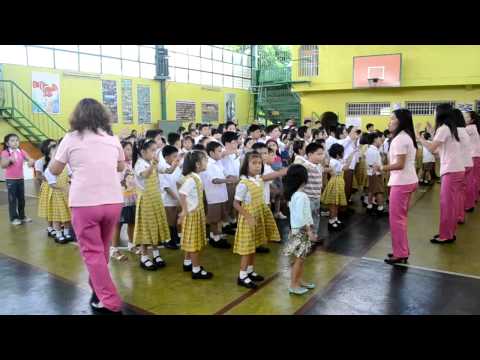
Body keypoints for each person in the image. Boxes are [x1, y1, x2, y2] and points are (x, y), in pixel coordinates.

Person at [47, 98, 125, 314]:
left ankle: (109, 300)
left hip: (84, 203)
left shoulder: (70, 138)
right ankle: (97, 290)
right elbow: (120, 165)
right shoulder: (112, 138)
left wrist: (59, 153)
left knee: (92, 252)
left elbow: (53, 170)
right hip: (113, 201)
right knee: (102, 248)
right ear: (103, 116)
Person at [375, 109, 418, 264]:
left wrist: (381, 168)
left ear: (400, 121)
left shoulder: (400, 139)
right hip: (407, 180)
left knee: (396, 220)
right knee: (400, 218)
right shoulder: (407, 136)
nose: (389, 121)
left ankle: (400, 253)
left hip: (401, 182)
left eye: (392, 118)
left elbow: (399, 164)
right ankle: (402, 250)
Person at [418, 104, 464, 244]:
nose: (433, 114)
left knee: (446, 204)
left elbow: (432, 149)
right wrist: (432, 134)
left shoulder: (444, 128)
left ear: (440, 113)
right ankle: (449, 231)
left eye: (434, 111)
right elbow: (441, 151)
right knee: (451, 203)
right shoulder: (450, 128)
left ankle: (446, 235)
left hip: (451, 170)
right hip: (456, 169)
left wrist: (419, 138)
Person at [233, 151, 279, 289]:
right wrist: (248, 216)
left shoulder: (258, 179)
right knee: (247, 249)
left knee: (254, 246)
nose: (258, 166)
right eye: (254, 163)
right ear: (246, 165)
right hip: (249, 219)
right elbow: (235, 204)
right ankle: (242, 276)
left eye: (259, 163)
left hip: (258, 217)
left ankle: (250, 270)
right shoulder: (243, 183)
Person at [133, 138, 171, 270]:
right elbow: (145, 175)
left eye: (156, 151)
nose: (155, 153)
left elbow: (168, 171)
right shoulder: (139, 164)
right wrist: (153, 164)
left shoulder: (151, 162)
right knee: (146, 229)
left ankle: (156, 254)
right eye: (152, 151)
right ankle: (144, 257)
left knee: (155, 228)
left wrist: (176, 163)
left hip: (155, 199)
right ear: (143, 151)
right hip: (146, 202)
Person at [178, 150, 214, 280]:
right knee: (194, 243)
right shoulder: (192, 179)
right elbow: (182, 194)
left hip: (196, 212)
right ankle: (196, 269)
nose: (207, 162)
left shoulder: (195, 177)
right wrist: (185, 210)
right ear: (198, 164)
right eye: (205, 160)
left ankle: (188, 263)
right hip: (192, 214)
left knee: (191, 240)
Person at [283, 164, 316, 295]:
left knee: (301, 259)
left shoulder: (294, 195)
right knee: (299, 260)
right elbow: (301, 217)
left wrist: (310, 227)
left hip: (298, 231)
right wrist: (309, 231)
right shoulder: (301, 196)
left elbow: (303, 214)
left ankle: (299, 280)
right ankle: (293, 284)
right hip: (301, 233)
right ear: (304, 179)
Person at [201, 141, 233, 249]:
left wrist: (230, 177)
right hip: (213, 196)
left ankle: (216, 236)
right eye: (219, 151)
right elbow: (214, 180)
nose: (221, 153)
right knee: (214, 219)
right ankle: (215, 239)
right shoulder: (208, 164)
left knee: (219, 218)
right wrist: (227, 181)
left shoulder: (218, 162)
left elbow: (225, 173)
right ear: (211, 153)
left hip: (221, 195)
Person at [110, 140, 137, 261]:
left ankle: (131, 244)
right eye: (126, 149)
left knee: (132, 222)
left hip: (132, 197)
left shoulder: (133, 163)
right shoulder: (116, 164)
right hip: (120, 199)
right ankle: (114, 249)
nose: (129, 151)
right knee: (118, 224)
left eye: (130, 149)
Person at [1, 133, 35, 226]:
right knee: (12, 200)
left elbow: (30, 159)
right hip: (11, 180)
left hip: (20, 178)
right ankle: (14, 218)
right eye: (12, 141)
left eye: (17, 140)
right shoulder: (5, 152)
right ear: (7, 143)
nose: (15, 142)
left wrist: (31, 162)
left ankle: (22, 216)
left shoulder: (21, 151)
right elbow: (3, 165)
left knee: (21, 199)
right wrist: (9, 160)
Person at [294, 142, 325, 242]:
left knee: (315, 217)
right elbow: (297, 161)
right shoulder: (306, 165)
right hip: (308, 198)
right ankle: (304, 237)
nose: (322, 156)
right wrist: (306, 163)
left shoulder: (319, 166)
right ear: (310, 155)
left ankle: (313, 235)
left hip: (316, 197)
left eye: (322, 153)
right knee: (306, 219)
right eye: (319, 154)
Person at [321, 143, 356, 231]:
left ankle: (335, 219)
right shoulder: (335, 162)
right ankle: (331, 221)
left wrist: (351, 154)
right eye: (342, 152)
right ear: (337, 154)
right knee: (334, 204)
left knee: (336, 204)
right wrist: (352, 157)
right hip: (335, 183)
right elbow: (346, 167)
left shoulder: (335, 160)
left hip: (337, 182)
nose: (343, 154)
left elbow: (344, 161)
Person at [45, 140, 74, 244]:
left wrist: (72, 183)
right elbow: (52, 184)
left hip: (66, 195)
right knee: (57, 216)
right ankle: (58, 233)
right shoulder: (49, 169)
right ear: (50, 156)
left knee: (67, 215)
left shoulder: (66, 165)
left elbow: (71, 175)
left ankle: (66, 232)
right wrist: (65, 188)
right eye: (55, 154)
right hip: (57, 196)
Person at [160, 145, 183, 250]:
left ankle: (174, 238)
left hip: (177, 198)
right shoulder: (162, 169)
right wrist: (177, 199)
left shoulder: (177, 167)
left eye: (177, 156)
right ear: (166, 157)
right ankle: (168, 240)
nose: (176, 158)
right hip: (168, 200)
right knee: (170, 220)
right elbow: (166, 187)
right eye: (174, 156)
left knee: (174, 220)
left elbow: (179, 181)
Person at [221, 131, 241, 234]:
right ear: (227, 143)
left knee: (234, 202)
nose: (236, 144)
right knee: (227, 204)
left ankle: (232, 221)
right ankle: (225, 223)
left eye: (236, 142)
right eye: (234, 142)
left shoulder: (235, 153)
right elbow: (223, 154)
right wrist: (234, 151)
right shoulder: (222, 152)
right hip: (228, 182)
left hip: (236, 181)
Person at [36, 139, 56, 237]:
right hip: (47, 187)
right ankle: (50, 226)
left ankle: (58, 226)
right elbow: (38, 176)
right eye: (52, 146)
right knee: (48, 208)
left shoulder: (58, 160)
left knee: (56, 207)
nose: (55, 148)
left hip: (56, 186)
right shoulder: (40, 161)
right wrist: (47, 180)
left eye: (55, 146)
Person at [365, 132, 386, 215]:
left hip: (371, 173)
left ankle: (369, 206)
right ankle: (380, 208)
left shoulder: (370, 149)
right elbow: (375, 165)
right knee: (379, 191)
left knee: (371, 190)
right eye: (378, 138)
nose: (380, 139)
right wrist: (382, 172)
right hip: (376, 174)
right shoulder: (374, 151)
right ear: (374, 140)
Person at [464, 111, 480, 203]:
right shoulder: (474, 128)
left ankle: (472, 199)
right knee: (476, 177)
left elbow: (456, 133)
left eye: (466, 117)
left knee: (472, 179)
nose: (464, 119)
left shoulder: (470, 128)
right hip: (476, 155)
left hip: (473, 155)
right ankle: (475, 197)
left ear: (472, 120)